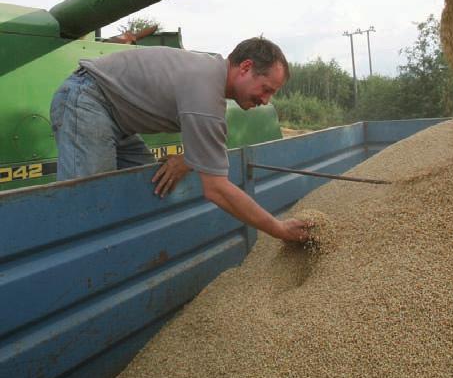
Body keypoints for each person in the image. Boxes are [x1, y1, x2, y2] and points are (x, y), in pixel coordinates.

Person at [50, 37, 310, 243]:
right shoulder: (205, 90)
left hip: (117, 121)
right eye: (266, 89)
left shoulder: (209, 80)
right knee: (86, 206)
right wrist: (279, 229)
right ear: (245, 67)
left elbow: (206, 140)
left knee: (150, 188)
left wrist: (189, 159)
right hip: (87, 100)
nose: (266, 100)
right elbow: (216, 189)